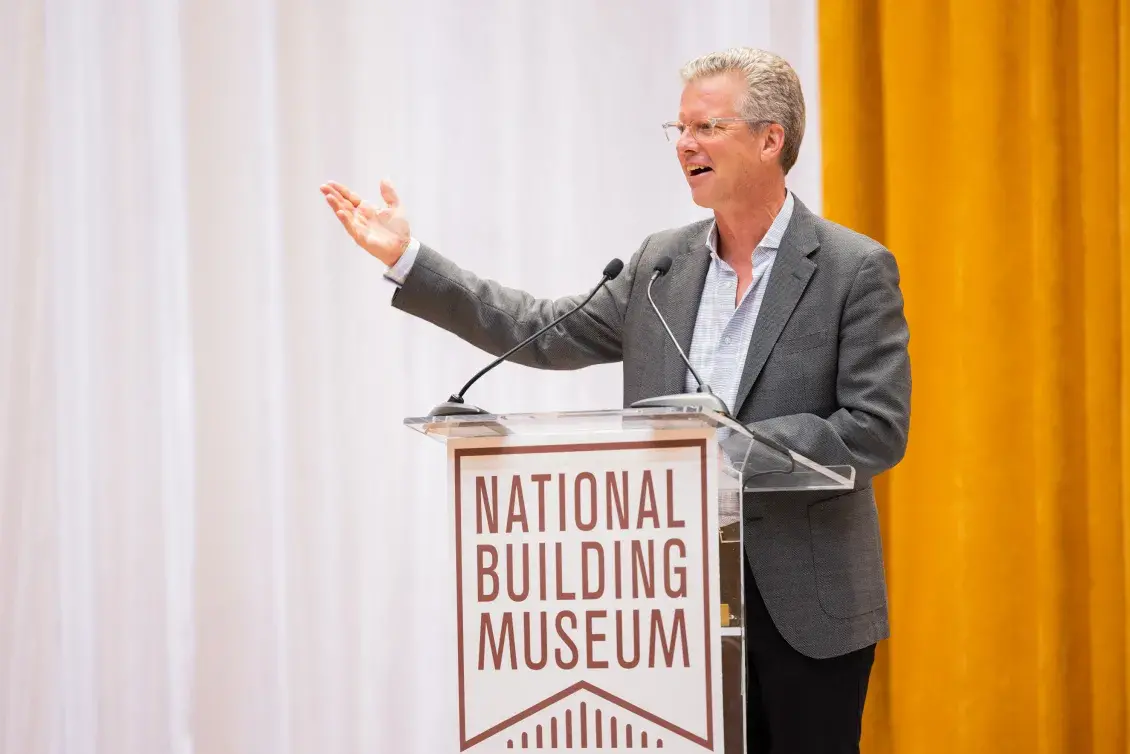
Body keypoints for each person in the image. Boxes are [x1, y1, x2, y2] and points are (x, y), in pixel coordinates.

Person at [322, 47, 910, 754]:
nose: (685, 144)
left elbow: (876, 429)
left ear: (770, 138)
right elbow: (537, 330)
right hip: (673, 602)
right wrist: (409, 258)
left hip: (804, 607)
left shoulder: (853, 269)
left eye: (706, 126)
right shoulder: (662, 264)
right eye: (679, 129)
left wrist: (729, 447)